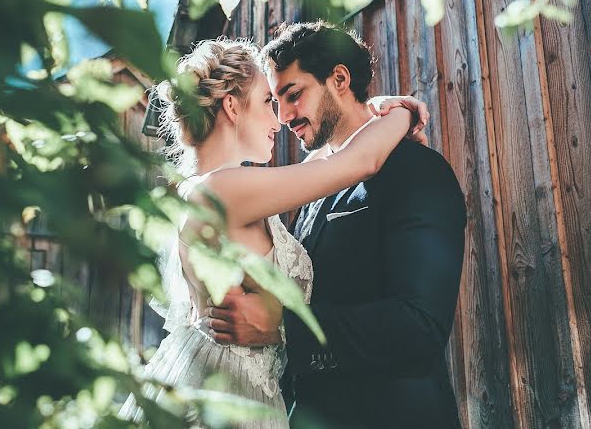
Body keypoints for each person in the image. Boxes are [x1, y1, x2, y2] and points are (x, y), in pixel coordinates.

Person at [118, 36, 427, 427]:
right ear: (231, 106)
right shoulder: (223, 191)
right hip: (227, 400)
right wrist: (404, 112)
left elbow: (330, 157)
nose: (278, 119)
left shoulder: (202, 189)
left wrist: (368, 112)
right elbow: (357, 162)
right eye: (268, 101)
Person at [207, 22, 466, 428]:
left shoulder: (416, 170)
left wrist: (284, 327)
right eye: (275, 102)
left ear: (340, 79)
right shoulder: (309, 190)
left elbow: (418, 330)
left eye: (293, 95)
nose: (285, 115)